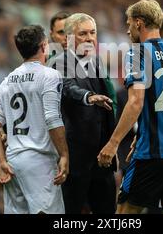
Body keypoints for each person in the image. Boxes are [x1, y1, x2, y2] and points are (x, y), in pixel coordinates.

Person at [98, 0, 163, 214]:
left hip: (152, 153)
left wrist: (113, 143)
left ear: (138, 23)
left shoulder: (137, 53)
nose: (127, 30)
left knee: (125, 213)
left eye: (128, 23)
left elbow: (135, 102)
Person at [0, 25, 69, 214]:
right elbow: (52, 118)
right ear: (43, 46)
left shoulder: (7, 80)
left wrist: (0, 161)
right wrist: (64, 154)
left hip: (13, 161)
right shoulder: (50, 75)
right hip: (39, 160)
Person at [48, 13, 117, 214]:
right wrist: (88, 96)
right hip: (75, 159)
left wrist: (112, 144)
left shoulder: (97, 63)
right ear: (70, 38)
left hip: (101, 158)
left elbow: (108, 108)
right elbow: (68, 88)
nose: (89, 38)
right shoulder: (57, 63)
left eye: (92, 33)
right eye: (83, 34)